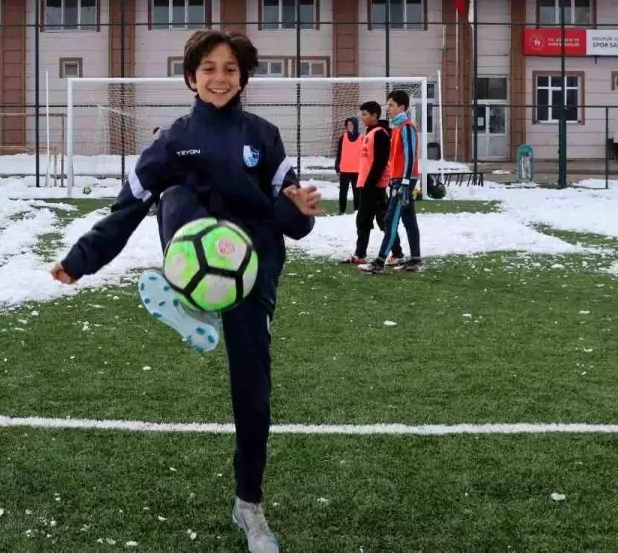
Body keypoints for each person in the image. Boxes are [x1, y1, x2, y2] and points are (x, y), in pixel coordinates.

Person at [50, 29, 322, 553]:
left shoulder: (264, 137)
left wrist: (298, 207)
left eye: (230, 69)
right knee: (172, 193)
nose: (219, 78)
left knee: (253, 393)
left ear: (243, 78)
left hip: (254, 271)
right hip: (193, 253)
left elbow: (292, 221)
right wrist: (81, 260)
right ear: (191, 77)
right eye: (209, 68)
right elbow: (127, 210)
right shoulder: (171, 140)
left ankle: (249, 506)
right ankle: (193, 299)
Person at [361, 90, 422, 274]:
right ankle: (415, 259)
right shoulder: (397, 128)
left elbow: (411, 156)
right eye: (388, 105)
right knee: (408, 218)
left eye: (391, 105)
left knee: (390, 218)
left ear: (401, 107)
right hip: (399, 179)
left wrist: (403, 182)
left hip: (404, 181)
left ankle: (379, 262)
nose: (388, 109)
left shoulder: (406, 127)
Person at [343, 102, 403, 265]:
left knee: (383, 220)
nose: (362, 118)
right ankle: (360, 254)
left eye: (365, 114)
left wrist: (372, 183)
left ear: (375, 115)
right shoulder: (370, 133)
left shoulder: (380, 134)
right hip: (365, 184)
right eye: (361, 114)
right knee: (363, 219)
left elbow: (380, 162)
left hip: (374, 186)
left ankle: (397, 253)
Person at [332, 116, 361, 214]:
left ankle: (357, 211)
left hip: (357, 170)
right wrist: (337, 165)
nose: (349, 126)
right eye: (347, 124)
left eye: (351, 124)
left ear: (355, 125)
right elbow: (339, 153)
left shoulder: (362, 138)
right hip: (344, 169)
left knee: (357, 192)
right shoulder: (342, 137)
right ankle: (341, 210)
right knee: (343, 192)